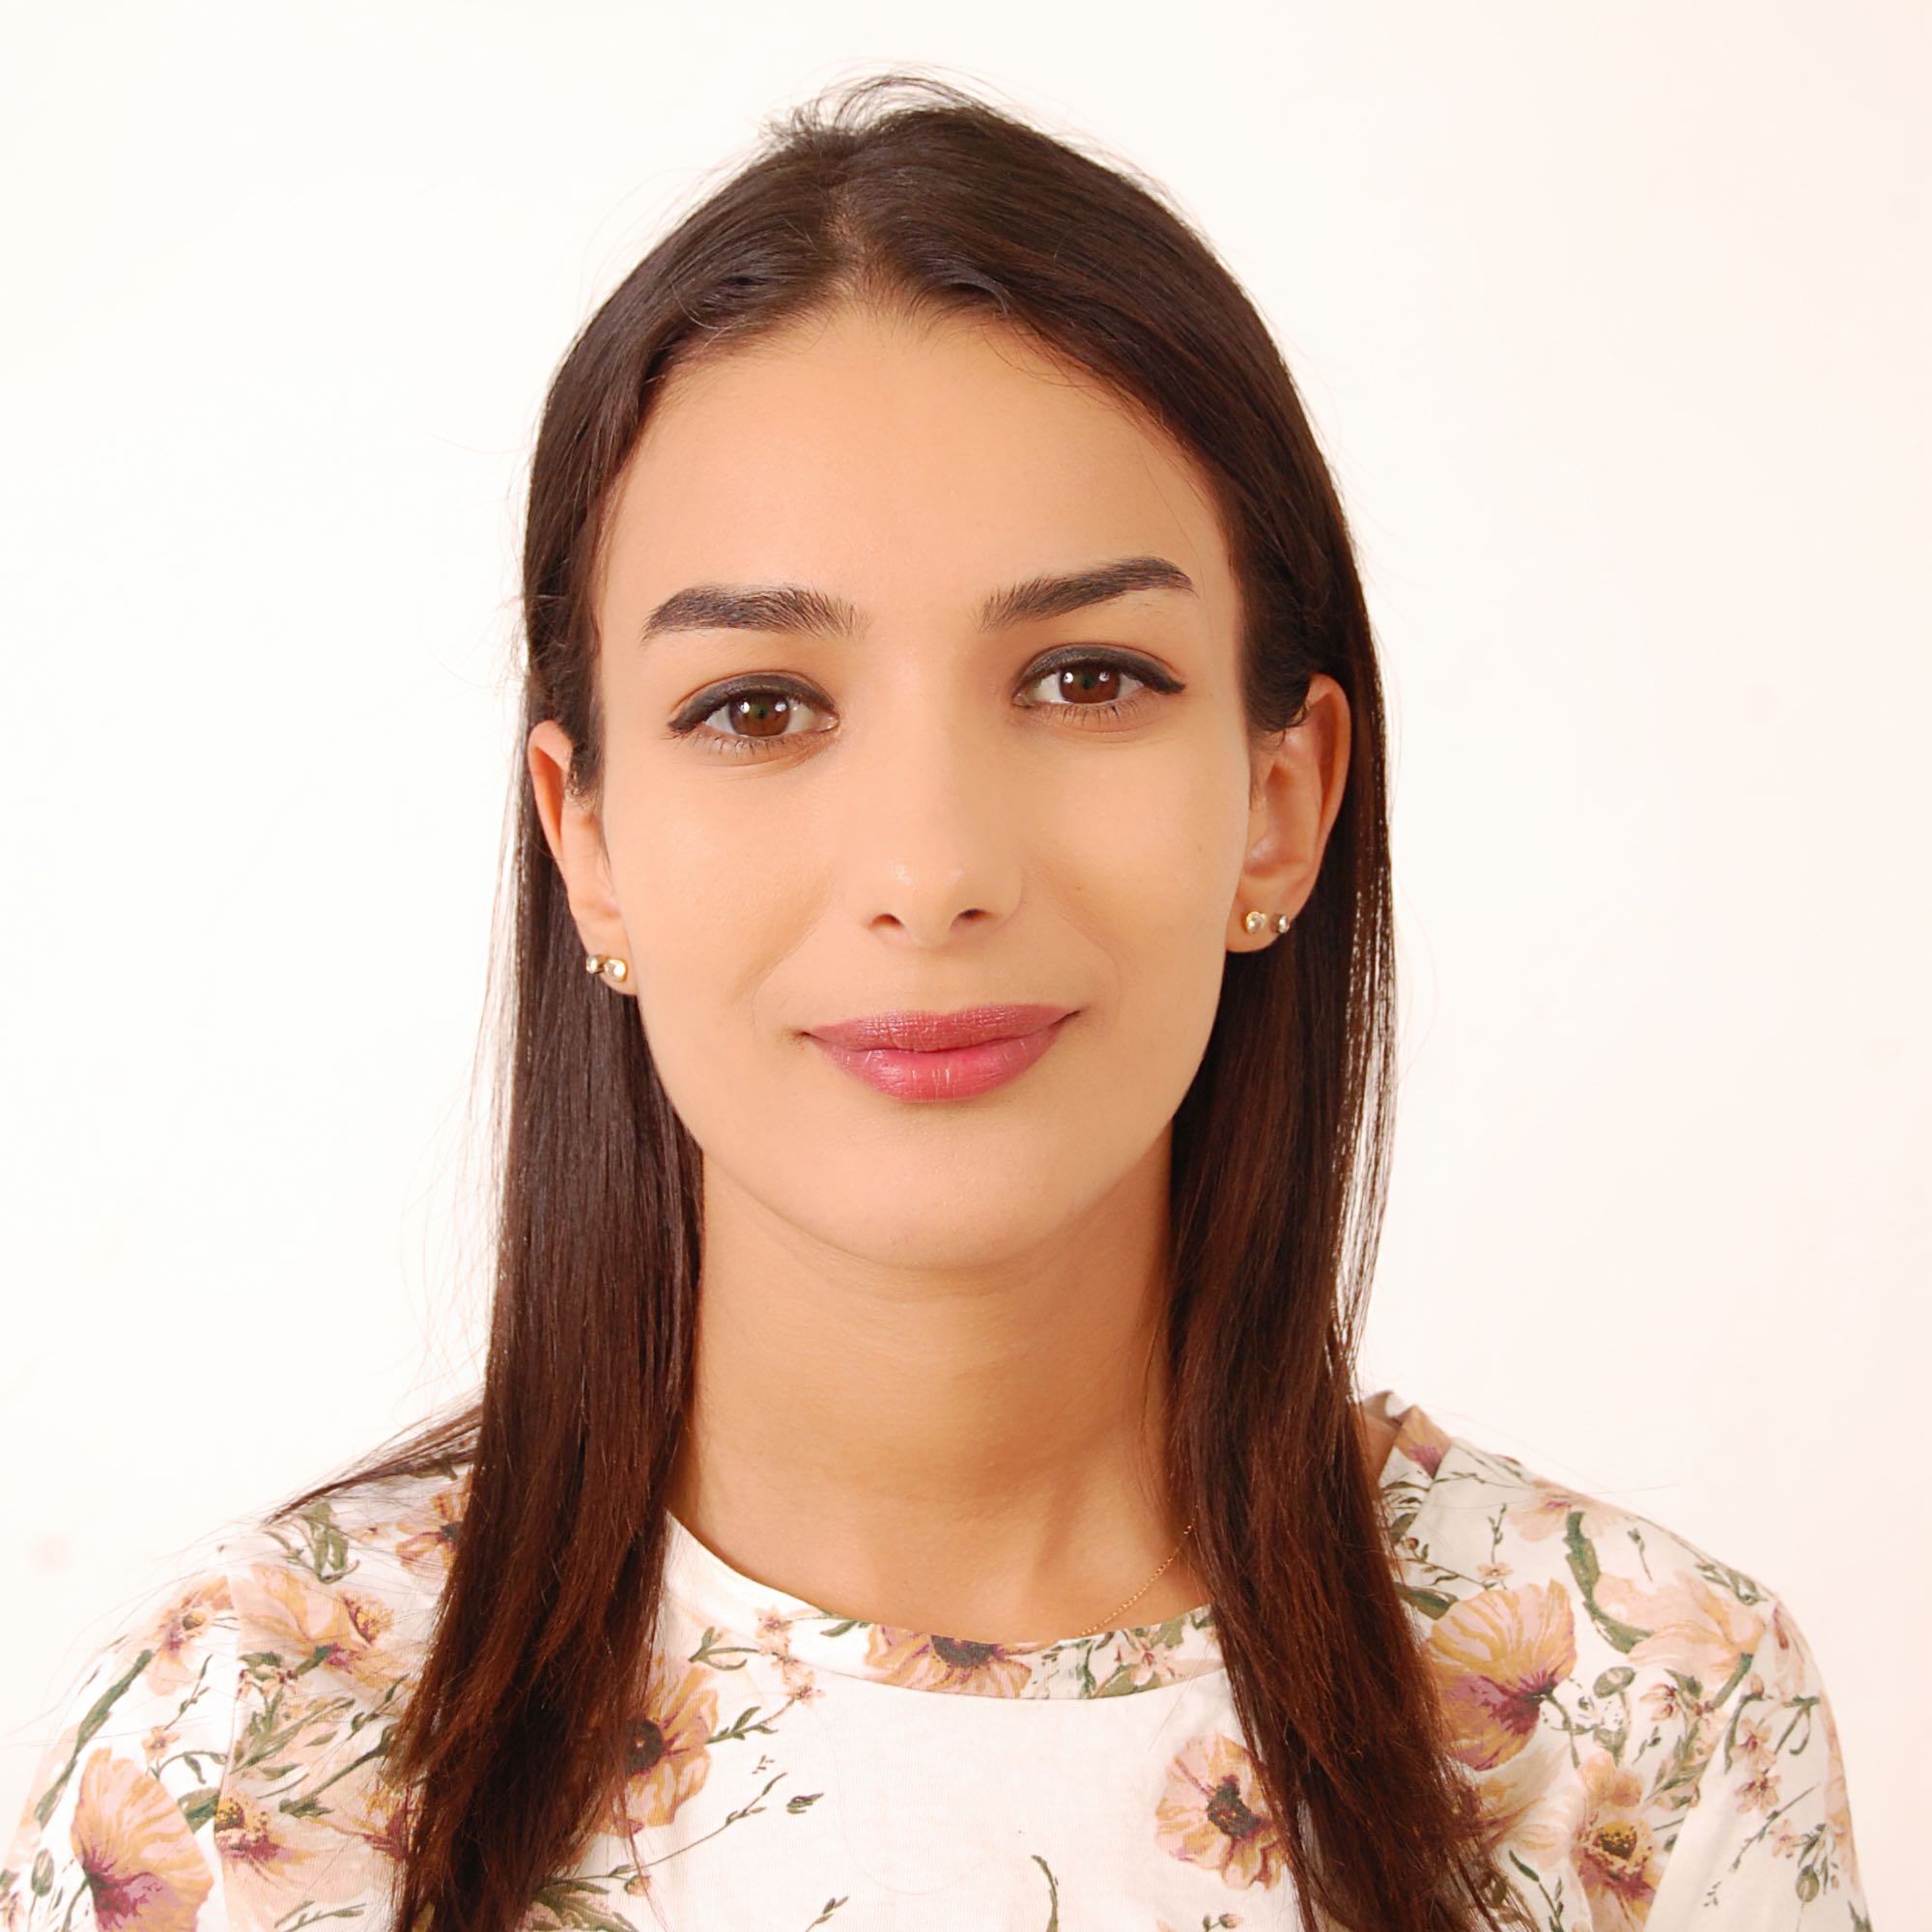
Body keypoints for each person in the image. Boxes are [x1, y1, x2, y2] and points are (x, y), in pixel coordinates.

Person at [1, 72, 1867, 1932]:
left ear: (1281, 800)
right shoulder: (250, 1761)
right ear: (588, 842)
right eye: (758, 706)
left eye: (1085, 679)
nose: (931, 866)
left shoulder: (1644, 1728)